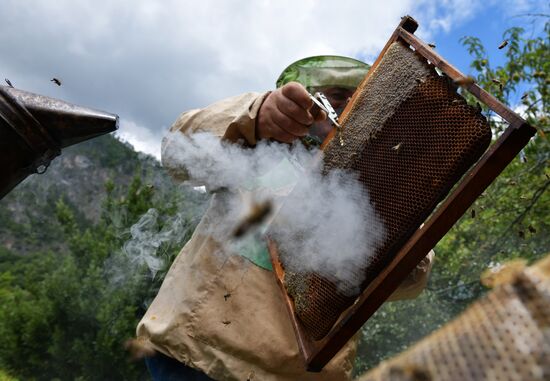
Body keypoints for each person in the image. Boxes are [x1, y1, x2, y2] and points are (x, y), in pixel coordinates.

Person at [136, 55, 434, 381]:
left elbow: (409, 282)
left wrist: (395, 203)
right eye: (336, 96)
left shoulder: (372, 186)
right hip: (199, 356)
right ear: (308, 99)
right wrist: (256, 114)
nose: (348, 107)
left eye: (358, 98)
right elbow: (178, 151)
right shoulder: (259, 142)